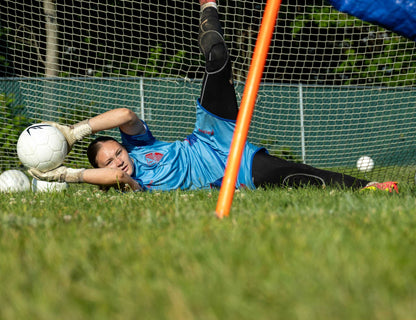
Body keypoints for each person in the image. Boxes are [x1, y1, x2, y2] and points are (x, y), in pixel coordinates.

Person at [28, 0, 398, 194]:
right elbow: (115, 181)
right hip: (230, 171)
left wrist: (73, 133)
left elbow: (125, 113)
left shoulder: (139, 147)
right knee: (291, 174)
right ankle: (369, 187)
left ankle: (209, 7)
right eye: (110, 162)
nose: (119, 163)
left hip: (209, 136)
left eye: (117, 153)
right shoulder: (132, 186)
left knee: (218, 59)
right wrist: (70, 175)